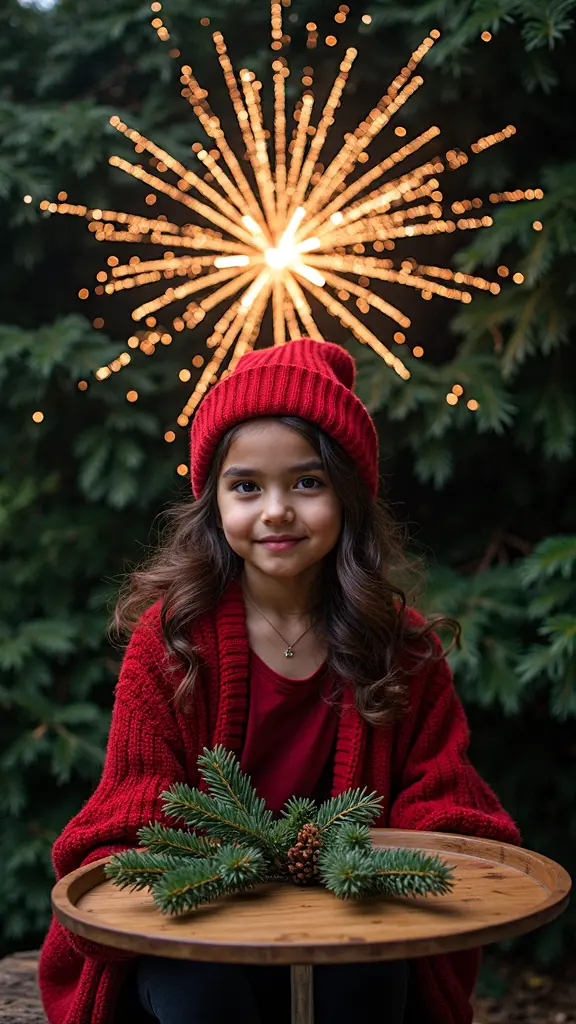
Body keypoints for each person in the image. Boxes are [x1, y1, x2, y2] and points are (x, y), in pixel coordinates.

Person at [38, 337, 522, 1024]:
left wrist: (397, 856)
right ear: (214, 502)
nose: (275, 511)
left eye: (307, 482)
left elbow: (442, 797)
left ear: (348, 495)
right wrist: (208, 866)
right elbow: (131, 808)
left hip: (347, 916)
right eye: (246, 486)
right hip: (200, 926)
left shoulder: (400, 645)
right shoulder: (172, 643)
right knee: (205, 994)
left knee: (369, 982)